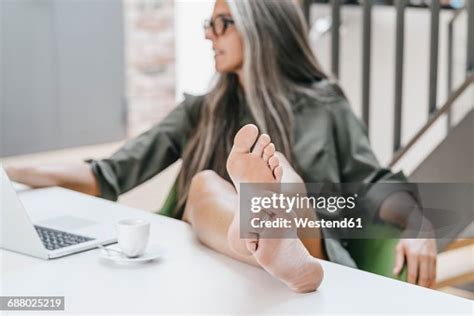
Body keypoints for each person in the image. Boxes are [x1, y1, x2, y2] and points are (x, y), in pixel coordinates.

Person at [5, 0, 437, 292]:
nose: (210, 35)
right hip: (232, 267)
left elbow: (374, 183)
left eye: (222, 23)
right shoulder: (202, 109)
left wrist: (419, 223)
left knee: (285, 179)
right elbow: (110, 172)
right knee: (207, 184)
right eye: (207, 25)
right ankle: (254, 238)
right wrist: (11, 170)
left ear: (260, 26)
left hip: (313, 246)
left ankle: (274, 238)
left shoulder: (324, 105)